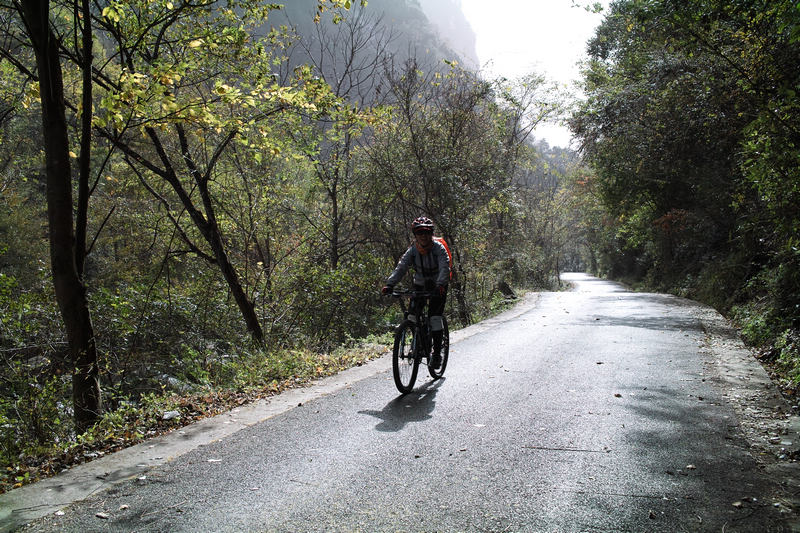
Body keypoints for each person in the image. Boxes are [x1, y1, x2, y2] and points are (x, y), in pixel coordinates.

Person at [382, 216, 450, 367]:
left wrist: (440, 284)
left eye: (427, 232)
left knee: (434, 318)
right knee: (412, 316)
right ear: (415, 235)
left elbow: (445, 267)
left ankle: (436, 354)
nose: (423, 236)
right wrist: (390, 284)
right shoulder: (412, 251)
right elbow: (401, 267)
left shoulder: (439, 249)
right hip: (420, 285)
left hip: (438, 285)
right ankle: (417, 343)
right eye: (420, 233)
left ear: (431, 234)